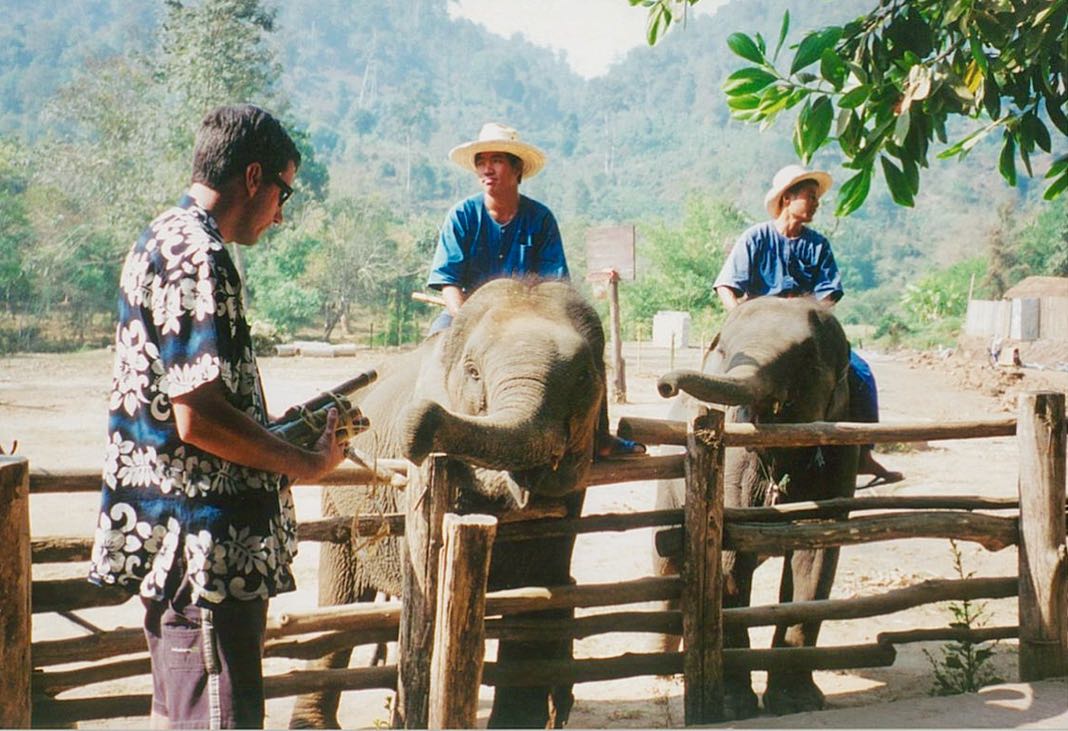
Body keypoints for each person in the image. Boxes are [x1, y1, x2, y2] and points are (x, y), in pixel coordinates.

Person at [87, 104, 347, 729]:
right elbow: (198, 419)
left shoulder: (164, 236)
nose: (282, 213)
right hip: (203, 554)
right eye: (284, 191)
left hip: (184, 551)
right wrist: (305, 463)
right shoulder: (198, 255)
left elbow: (196, 402)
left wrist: (276, 431)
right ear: (253, 177)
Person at [427, 122, 642, 457]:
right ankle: (437, 433)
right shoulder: (462, 216)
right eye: (481, 161)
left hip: (529, 323)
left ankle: (597, 435)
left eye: (496, 160)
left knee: (585, 349)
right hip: (468, 315)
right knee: (433, 354)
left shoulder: (540, 219)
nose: (486, 168)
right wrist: (465, 320)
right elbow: (448, 282)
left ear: (517, 169)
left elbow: (555, 288)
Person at [713, 163, 903, 487]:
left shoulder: (817, 245)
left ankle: (862, 452)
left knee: (860, 373)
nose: (815, 204)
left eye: (816, 198)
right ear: (787, 198)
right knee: (717, 375)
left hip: (804, 341)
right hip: (758, 336)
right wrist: (739, 318)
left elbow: (829, 295)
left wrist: (810, 324)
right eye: (809, 197)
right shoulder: (755, 238)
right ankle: (713, 444)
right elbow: (726, 287)